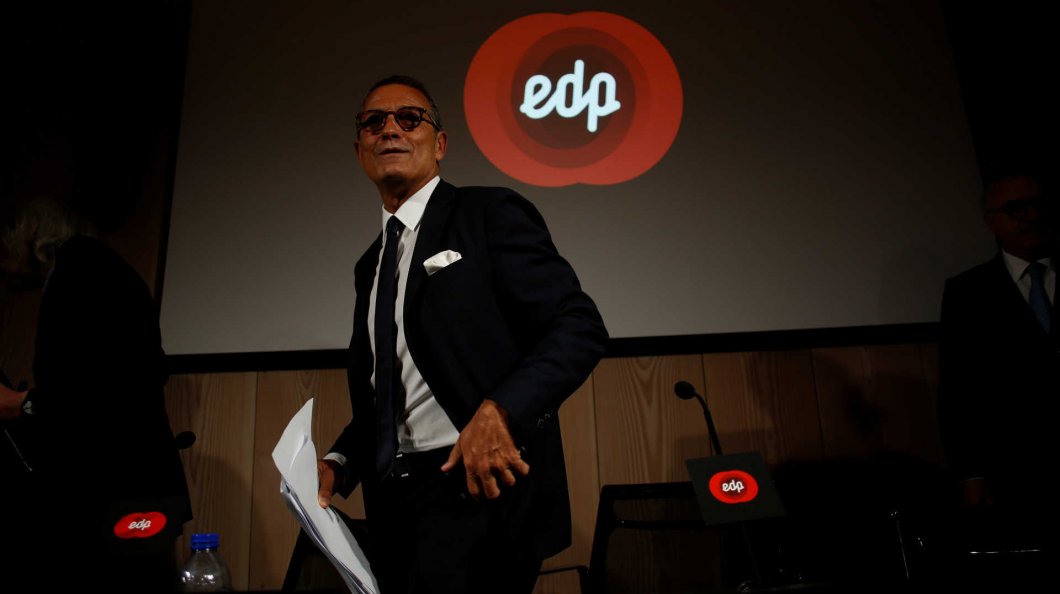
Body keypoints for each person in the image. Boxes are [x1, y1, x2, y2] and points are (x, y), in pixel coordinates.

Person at [315, 75, 608, 594]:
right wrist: (339, 462)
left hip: (479, 492)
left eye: (409, 118)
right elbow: (391, 391)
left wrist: (502, 410)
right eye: (374, 122)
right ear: (359, 149)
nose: (390, 129)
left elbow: (578, 325)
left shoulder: (488, 214)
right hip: (394, 505)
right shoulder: (371, 263)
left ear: (440, 144)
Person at [0, 196, 190, 591]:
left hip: (116, 489)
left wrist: (23, 404)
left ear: (29, 238)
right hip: (141, 486)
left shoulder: (78, 271)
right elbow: (122, 373)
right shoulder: (106, 269)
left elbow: (91, 387)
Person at [936, 172, 1057, 585]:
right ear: (991, 221)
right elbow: (959, 390)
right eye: (1015, 209)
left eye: (1038, 205)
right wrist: (970, 473)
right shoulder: (968, 292)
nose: (1031, 216)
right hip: (1018, 471)